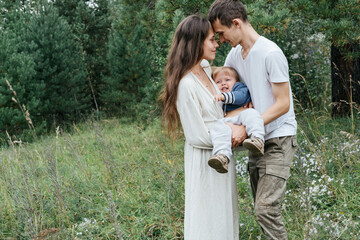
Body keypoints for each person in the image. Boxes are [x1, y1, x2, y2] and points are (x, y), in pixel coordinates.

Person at [208, 1, 298, 239]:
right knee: (262, 212)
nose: (221, 39)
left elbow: (283, 103)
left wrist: (246, 129)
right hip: (255, 141)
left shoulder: (270, 53)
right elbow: (234, 96)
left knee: (265, 209)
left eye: (221, 33)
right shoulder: (235, 56)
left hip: (278, 138)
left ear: (236, 23)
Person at [161, 15, 239, 239]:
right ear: (196, 42)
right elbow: (196, 136)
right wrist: (233, 134)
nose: (217, 44)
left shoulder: (205, 69)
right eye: (212, 40)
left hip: (221, 155)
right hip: (206, 162)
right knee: (208, 222)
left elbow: (218, 112)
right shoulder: (186, 84)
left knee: (224, 220)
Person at [208, 66, 265, 174]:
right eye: (218, 82)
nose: (223, 83)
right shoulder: (217, 95)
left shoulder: (240, 88)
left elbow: (241, 97)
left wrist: (224, 96)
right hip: (228, 122)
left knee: (252, 114)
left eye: (227, 80)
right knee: (217, 127)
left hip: (242, 116)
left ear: (236, 81)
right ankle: (222, 156)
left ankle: (257, 139)